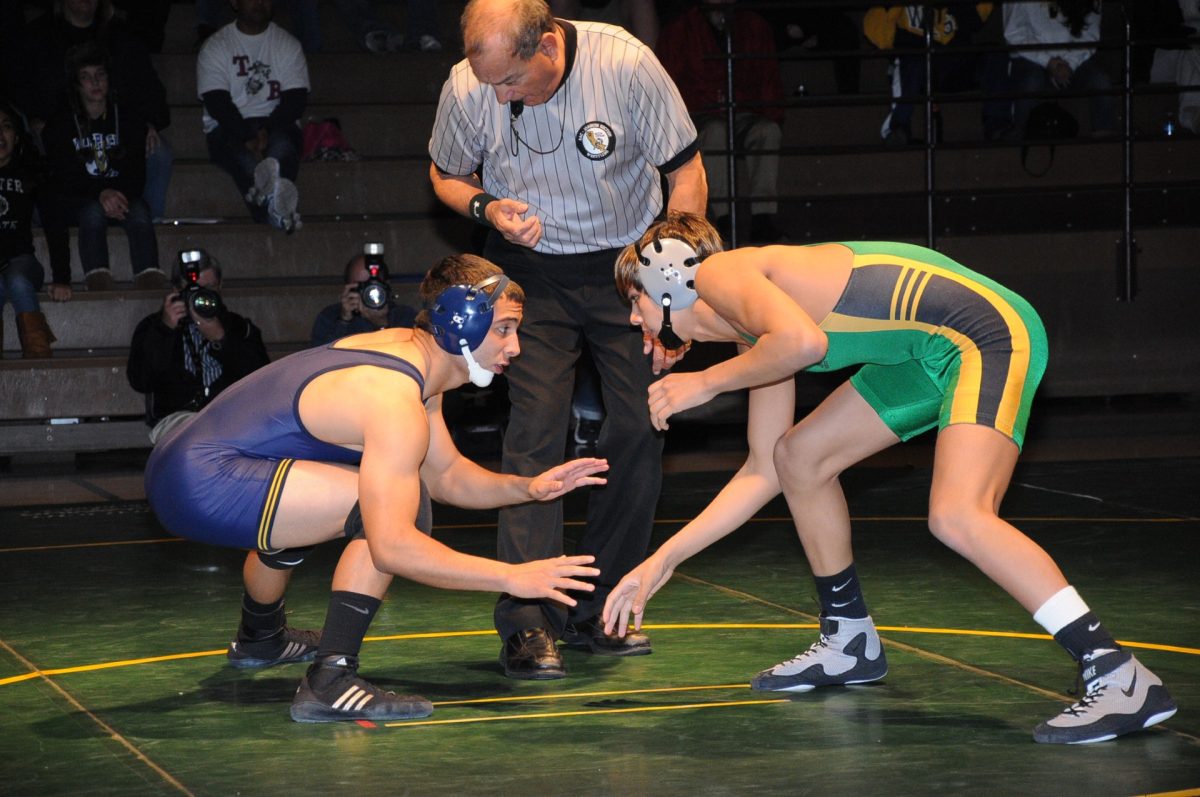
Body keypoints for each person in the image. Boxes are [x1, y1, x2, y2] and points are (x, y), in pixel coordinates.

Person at [602, 211, 1178, 745]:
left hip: (987, 334)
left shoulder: (727, 272)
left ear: (669, 275)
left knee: (958, 514)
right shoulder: (755, 334)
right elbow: (761, 471)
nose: (634, 319)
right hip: (927, 353)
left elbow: (807, 343)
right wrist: (663, 561)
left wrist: (703, 384)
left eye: (636, 301)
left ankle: (1118, 674)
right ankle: (849, 638)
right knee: (798, 458)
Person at [144, 254, 609, 722]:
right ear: (463, 323)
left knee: (354, 493)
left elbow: (446, 474)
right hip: (201, 478)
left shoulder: (411, 357)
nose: (516, 347)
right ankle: (332, 677)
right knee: (383, 507)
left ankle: (261, 637)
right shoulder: (393, 398)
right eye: (505, 329)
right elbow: (393, 547)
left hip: (190, 461)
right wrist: (512, 577)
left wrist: (529, 488)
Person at [428, 0, 706, 680]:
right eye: (487, 81)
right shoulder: (468, 85)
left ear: (548, 44)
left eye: (510, 83)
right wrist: (485, 206)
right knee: (535, 429)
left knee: (642, 424)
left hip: (626, 267)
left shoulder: (625, 64)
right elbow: (445, 174)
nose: (496, 96)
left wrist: (667, 300)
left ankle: (604, 607)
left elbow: (687, 174)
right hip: (531, 276)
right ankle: (528, 620)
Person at [21, 0, 173, 221]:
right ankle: (40, 229)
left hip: (117, 125)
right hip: (59, 126)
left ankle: (146, 221)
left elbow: (150, 88)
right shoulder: (38, 35)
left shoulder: (122, 35)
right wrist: (33, 116)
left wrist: (149, 122)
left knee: (159, 152)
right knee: (35, 148)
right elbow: (19, 86)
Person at [657, 0, 786, 243]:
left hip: (744, 112)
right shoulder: (680, 30)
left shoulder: (754, 26)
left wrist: (772, 114)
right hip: (701, 116)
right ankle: (724, 219)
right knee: (716, 132)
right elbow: (670, 83)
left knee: (767, 131)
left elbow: (768, 77)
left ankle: (763, 217)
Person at [41, 42, 165, 292]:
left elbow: (136, 173)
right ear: (76, 84)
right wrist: (100, 192)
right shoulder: (62, 123)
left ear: (109, 79)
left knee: (140, 211)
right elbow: (64, 175)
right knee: (92, 212)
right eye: (86, 77)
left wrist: (114, 193)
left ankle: (148, 273)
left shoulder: (127, 117)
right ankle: (97, 275)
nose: (95, 83)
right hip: (82, 196)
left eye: (100, 75)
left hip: (122, 194)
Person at [127, 248, 269, 443]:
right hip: (177, 419)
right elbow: (141, 381)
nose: (202, 296)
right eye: (194, 289)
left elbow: (260, 379)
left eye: (209, 288)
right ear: (177, 290)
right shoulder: (153, 326)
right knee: (200, 435)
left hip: (231, 416)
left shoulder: (238, 327)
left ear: (220, 287)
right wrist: (165, 330)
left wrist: (221, 340)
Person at [197, 0, 308, 233]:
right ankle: (277, 212)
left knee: (281, 151)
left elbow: (295, 101)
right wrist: (246, 134)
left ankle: (272, 209)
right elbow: (218, 103)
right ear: (234, 3)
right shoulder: (216, 46)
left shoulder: (287, 45)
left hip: (277, 121)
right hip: (227, 125)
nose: (260, 3)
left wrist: (266, 129)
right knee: (245, 161)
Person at [863, 3, 1012, 145]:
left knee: (993, 54)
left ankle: (998, 126)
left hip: (952, 60)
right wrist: (910, 43)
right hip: (916, 62)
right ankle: (898, 129)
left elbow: (975, 19)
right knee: (912, 58)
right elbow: (873, 27)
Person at [1004, 0, 1117, 139]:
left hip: (1072, 56)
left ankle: (1105, 144)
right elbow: (1014, 33)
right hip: (1030, 56)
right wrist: (1048, 61)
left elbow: (1090, 34)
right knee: (1031, 81)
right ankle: (1020, 136)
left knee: (1101, 82)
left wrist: (1069, 63)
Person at [0, 102, 57, 358]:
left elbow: (54, 225)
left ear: (17, 135)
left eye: (7, 127)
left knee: (17, 280)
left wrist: (63, 277)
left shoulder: (29, 174)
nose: (0, 135)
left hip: (23, 261)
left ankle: (39, 357)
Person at [309, 248, 418, 347]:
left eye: (373, 285)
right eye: (361, 286)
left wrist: (382, 325)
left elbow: (410, 359)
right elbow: (320, 361)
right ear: (347, 287)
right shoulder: (329, 316)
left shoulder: (405, 316)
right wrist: (343, 322)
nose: (369, 293)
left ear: (386, 285)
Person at [547, 0, 658, 48]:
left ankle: (646, 67)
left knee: (642, 3)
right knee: (561, 2)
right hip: (574, 24)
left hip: (620, 16)